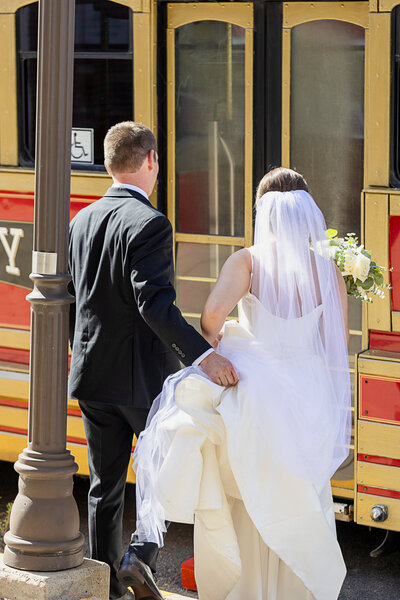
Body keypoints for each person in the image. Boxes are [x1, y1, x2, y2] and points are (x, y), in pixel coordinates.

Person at [133, 167, 351, 600]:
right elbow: (337, 341)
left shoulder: (248, 261)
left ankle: (248, 589)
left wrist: (228, 332)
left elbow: (211, 318)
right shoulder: (328, 269)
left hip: (259, 394)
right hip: (306, 394)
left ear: (264, 211)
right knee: (298, 492)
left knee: (251, 493)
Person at [68, 121, 238, 600]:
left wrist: (77, 354)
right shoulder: (150, 223)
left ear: (107, 164)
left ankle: (107, 585)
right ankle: (140, 557)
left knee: (104, 486)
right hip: (145, 381)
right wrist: (202, 356)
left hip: (92, 376)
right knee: (162, 470)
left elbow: (67, 297)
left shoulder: (80, 221)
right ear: (151, 162)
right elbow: (154, 305)